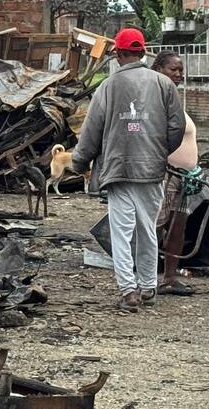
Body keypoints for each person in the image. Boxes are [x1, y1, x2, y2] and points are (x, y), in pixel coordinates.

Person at [71, 28, 184, 312]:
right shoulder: (164, 84)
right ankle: (148, 285)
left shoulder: (107, 87)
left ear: (119, 54)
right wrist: (158, 153)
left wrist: (79, 162)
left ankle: (128, 290)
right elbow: (176, 127)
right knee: (148, 228)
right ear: (143, 52)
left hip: (118, 169)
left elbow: (91, 130)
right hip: (152, 169)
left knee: (122, 232)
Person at [152, 53, 204, 297]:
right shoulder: (155, 98)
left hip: (184, 177)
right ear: (159, 69)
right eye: (173, 69)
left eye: (181, 70)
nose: (179, 74)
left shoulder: (174, 99)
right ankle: (148, 277)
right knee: (157, 225)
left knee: (177, 228)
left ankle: (170, 277)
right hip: (165, 174)